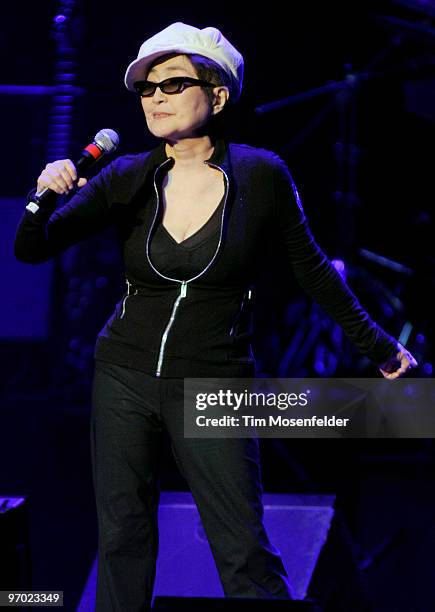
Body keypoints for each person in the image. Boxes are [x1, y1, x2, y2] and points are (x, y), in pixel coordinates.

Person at [14, 21, 417, 612]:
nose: (155, 97)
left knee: (242, 547)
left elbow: (313, 272)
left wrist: (379, 347)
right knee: (123, 538)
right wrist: (43, 195)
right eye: (147, 88)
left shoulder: (261, 174)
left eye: (174, 84)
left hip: (215, 381)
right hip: (122, 375)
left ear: (218, 94)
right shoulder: (128, 176)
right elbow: (32, 248)